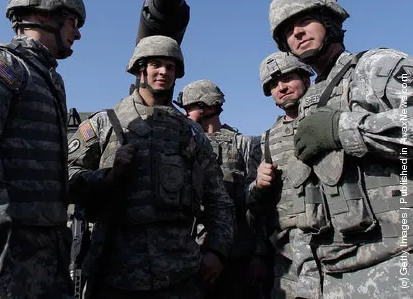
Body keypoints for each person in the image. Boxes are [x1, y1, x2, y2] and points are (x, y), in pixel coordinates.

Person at [268, 0, 413, 298]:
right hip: (332, 274)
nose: (298, 33)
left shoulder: (377, 66)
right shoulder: (311, 100)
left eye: (305, 21)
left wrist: (343, 129)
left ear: (329, 20)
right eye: (288, 31)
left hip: (394, 267)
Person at [68, 35, 234, 299]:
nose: (163, 72)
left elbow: (218, 199)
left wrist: (216, 250)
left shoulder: (192, 133)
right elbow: (65, 179)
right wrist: (108, 177)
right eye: (156, 64)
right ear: (140, 69)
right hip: (115, 273)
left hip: (181, 273)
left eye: (170, 67)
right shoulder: (106, 123)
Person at [0, 0, 86, 298]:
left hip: (48, 257)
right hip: (5, 259)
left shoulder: (49, 81)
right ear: (48, 15)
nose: (77, 33)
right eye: (74, 22)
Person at [176, 80, 268, 299]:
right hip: (190, 256)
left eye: (190, 108)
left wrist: (260, 254)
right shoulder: (184, 144)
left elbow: (258, 206)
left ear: (208, 107)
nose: (186, 115)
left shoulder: (243, 145)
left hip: (237, 258)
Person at [246, 52, 321, 299]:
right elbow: (256, 208)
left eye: (287, 78)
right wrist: (258, 185)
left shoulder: (331, 116)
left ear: (306, 78)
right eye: (274, 84)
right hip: (289, 260)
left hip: (340, 250)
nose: (282, 87)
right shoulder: (267, 140)